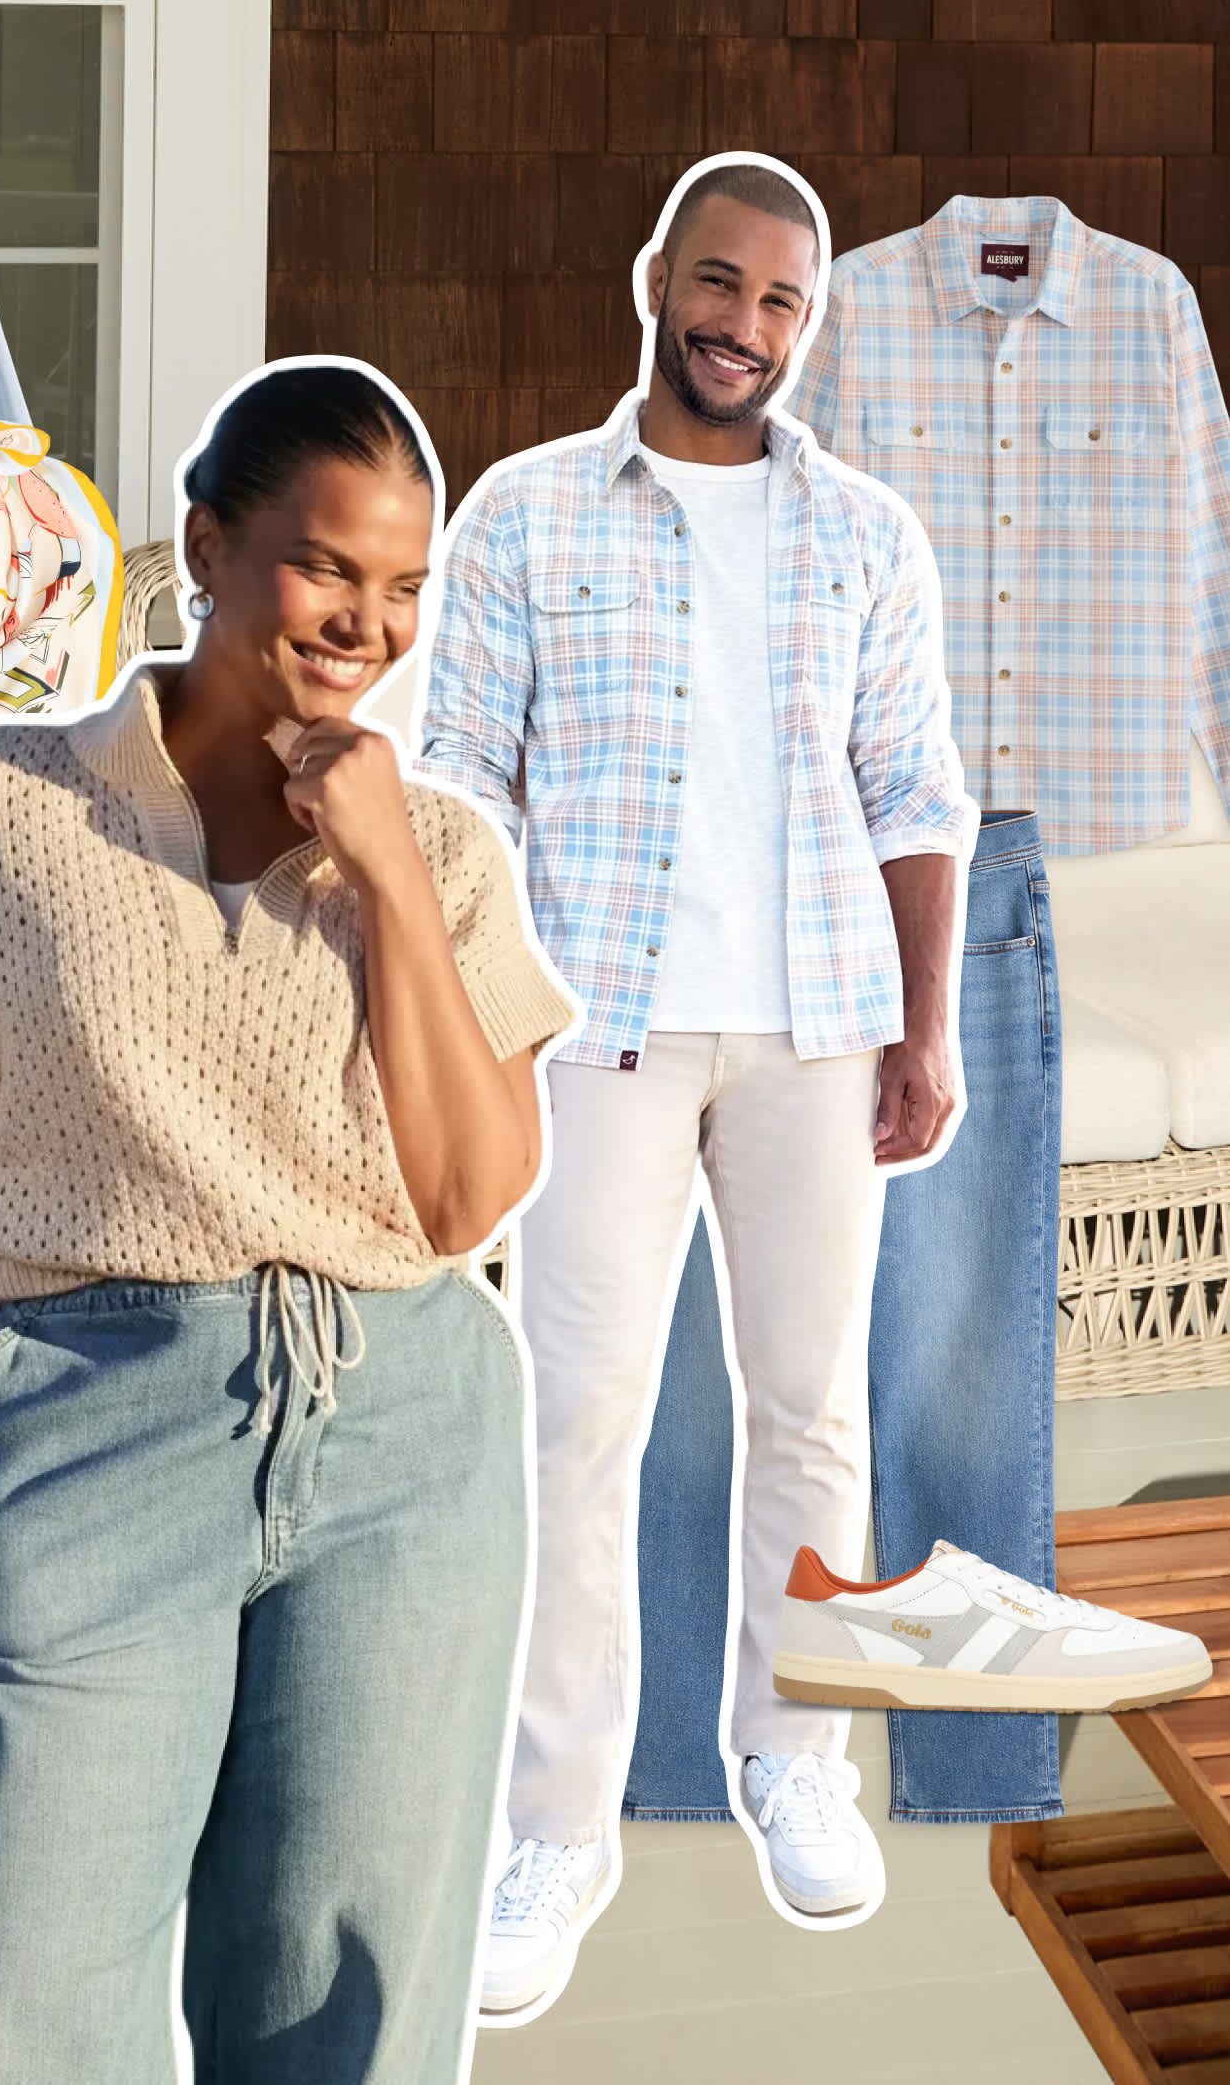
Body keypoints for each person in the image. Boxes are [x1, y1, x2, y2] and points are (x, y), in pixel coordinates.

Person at [0, 359, 575, 2085]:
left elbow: (468, 1192)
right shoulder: (9, 804)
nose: (364, 623)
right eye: (325, 567)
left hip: (406, 1438)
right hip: (90, 1420)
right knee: (23, 2015)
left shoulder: (441, 850)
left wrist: (379, 867)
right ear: (210, 542)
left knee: (341, 2024)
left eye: (401, 588)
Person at [421, 158, 975, 2016]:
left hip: (817, 1025)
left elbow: (913, 791)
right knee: (576, 1421)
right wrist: (480, 1027)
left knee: (811, 1412)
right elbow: (464, 789)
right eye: (720, 283)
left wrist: (928, 1022)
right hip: (600, 1035)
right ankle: (558, 1822)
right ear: (656, 272)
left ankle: (792, 1759)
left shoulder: (862, 534)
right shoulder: (525, 516)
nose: (745, 326)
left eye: (782, 303)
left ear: (806, 325)